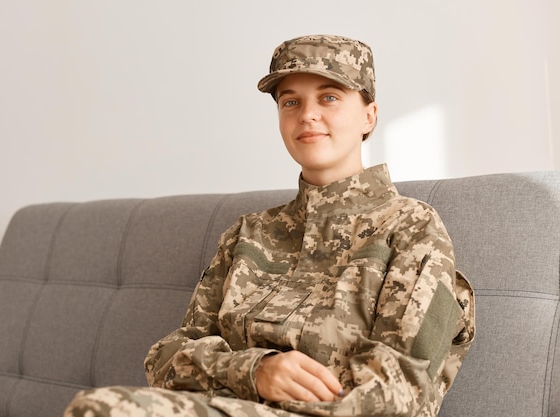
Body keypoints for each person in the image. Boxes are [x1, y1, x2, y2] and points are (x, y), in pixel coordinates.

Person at [63, 34, 475, 417]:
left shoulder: (411, 227)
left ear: (369, 116)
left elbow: (401, 388)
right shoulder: (249, 234)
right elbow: (167, 358)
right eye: (290, 102)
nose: (307, 115)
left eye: (329, 97)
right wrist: (254, 371)